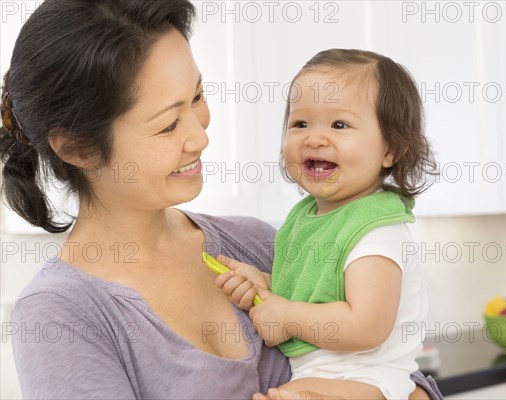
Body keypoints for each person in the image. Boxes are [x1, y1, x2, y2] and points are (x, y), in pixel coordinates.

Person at [0, 0, 442, 399]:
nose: (200, 135)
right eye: (168, 124)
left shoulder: (256, 243)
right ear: (77, 148)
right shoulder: (60, 318)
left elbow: (391, 374)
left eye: (197, 97)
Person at [215, 49, 438, 400]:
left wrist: (286, 316)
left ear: (390, 150)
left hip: (371, 378)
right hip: (328, 375)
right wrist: (267, 286)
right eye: (300, 123)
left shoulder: (375, 229)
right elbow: (322, 290)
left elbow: (366, 326)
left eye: (339, 125)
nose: (314, 138)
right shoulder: (307, 218)